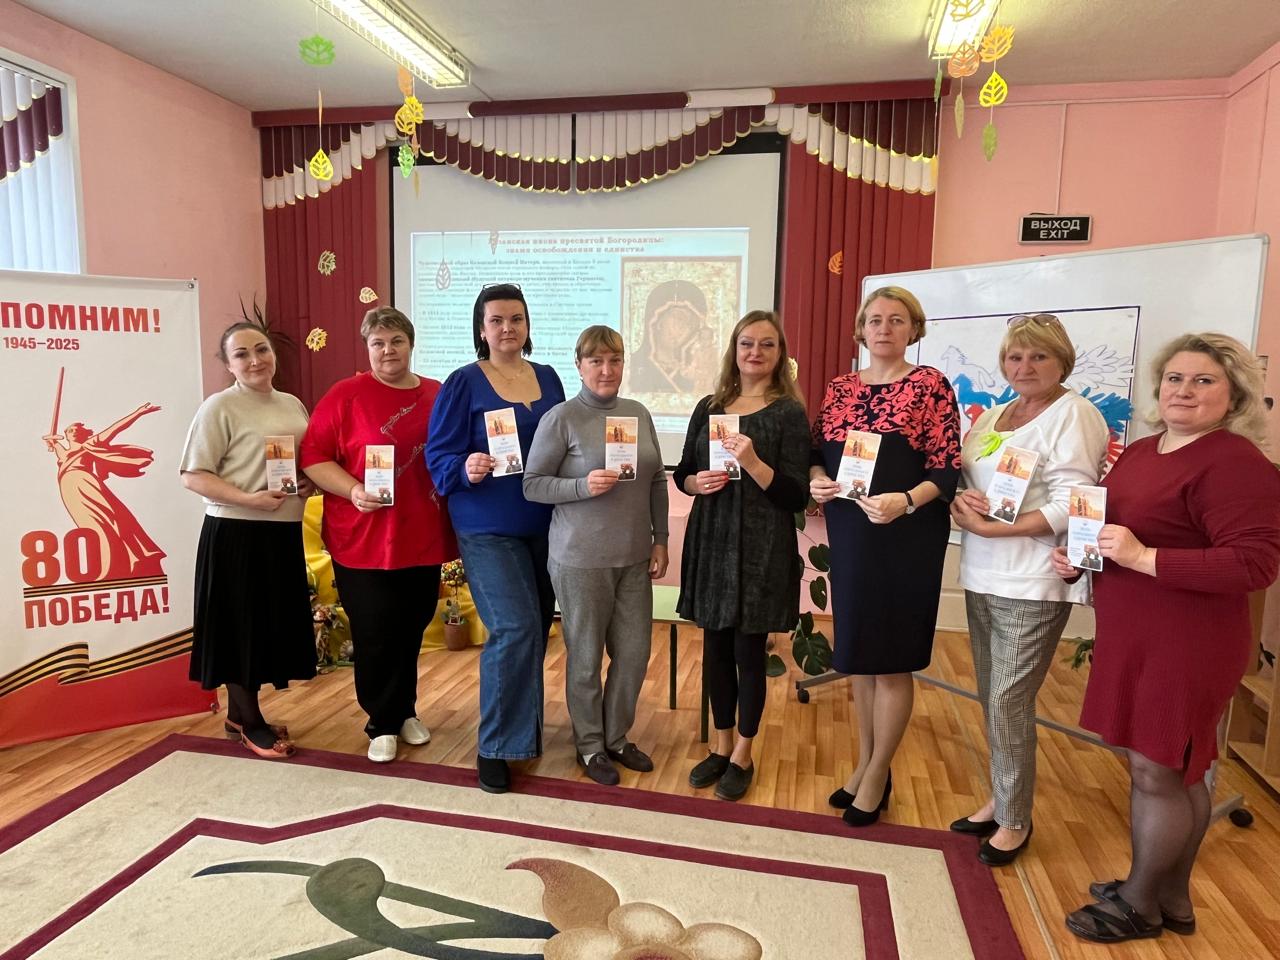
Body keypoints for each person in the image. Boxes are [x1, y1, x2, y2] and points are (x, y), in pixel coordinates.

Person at [1051, 333, 1280, 944]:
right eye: (1175, 378)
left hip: (1189, 641)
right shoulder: (1144, 451)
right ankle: (1171, 896)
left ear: (1234, 394)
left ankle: (1140, 904)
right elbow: (1117, 529)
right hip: (1136, 632)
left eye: (1204, 380)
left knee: (1159, 771)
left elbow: (1255, 564)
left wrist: (1144, 557)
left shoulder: (1235, 462)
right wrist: (1080, 558)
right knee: (1179, 769)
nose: (1184, 390)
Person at [948, 314, 1109, 864]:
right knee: (993, 697)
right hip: (982, 571)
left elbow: (1074, 500)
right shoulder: (998, 413)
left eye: (1038, 356)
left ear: (1062, 360)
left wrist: (1001, 529)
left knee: (1008, 700)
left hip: (1034, 578)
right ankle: (1001, 798)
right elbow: (969, 479)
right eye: (1015, 356)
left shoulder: (1075, 414)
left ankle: (1015, 819)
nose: (1025, 366)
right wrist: (962, 500)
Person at [810, 286, 962, 827]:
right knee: (860, 655)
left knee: (892, 659)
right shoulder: (840, 388)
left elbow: (946, 468)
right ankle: (866, 764)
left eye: (897, 320)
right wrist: (818, 480)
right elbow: (816, 453)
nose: (884, 328)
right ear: (861, 329)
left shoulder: (930, 385)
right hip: (852, 532)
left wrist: (906, 501)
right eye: (875, 320)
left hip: (906, 535)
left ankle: (877, 775)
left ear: (913, 329)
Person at [425, 283, 566, 793]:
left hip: (545, 525)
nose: (508, 328)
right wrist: (464, 467)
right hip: (486, 526)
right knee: (513, 627)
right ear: (481, 330)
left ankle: (521, 736)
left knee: (535, 630)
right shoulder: (462, 382)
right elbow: (438, 455)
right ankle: (494, 746)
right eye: (497, 320)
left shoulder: (548, 377)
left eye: (516, 319)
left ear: (527, 325)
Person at [300, 307, 455, 764]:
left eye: (396, 341)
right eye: (378, 343)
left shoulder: (437, 394)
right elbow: (314, 457)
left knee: (411, 626)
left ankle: (404, 710)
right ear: (367, 348)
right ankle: (381, 722)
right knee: (374, 631)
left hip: (422, 534)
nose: (388, 351)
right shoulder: (345, 395)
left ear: (411, 344)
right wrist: (352, 489)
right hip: (362, 537)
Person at [524, 325, 669, 785]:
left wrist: (661, 538)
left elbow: (657, 480)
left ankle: (616, 737)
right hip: (579, 560)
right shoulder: (561, 418)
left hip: (634, 557)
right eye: (596, 361)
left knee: (634, 655)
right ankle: (589, 745)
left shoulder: (638, 412)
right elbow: (532, 485)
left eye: (615, 360)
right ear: (579, 365)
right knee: (585, 659)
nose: (607, 370)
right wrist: (582, 486)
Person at [675, 310, 810, 801]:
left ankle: (743, 754)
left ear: (780, 354)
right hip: (712, 537)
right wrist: (696, 482)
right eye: (747, 343)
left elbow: (796, 494)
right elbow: (682, 473)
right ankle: (720, 744)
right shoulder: (709, 406)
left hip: (761, 544)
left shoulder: (788, 413)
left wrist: (751, 462)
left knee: (748, 652)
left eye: (767, 344)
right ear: (734, 349)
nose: (755, 352)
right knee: (714, 648)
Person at [179, 322, 316, 759]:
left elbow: (302, 461)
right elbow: (193, 475)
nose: (255, 360)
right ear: (227, 363)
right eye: (242, 354)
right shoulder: (219, 407)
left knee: (264, 628)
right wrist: (248, 499)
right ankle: (251, 723)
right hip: (235, 533)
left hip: (282, 532)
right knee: (240, 629)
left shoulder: (291, 403)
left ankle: (238, 717)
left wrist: (308, 482)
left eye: (262, 349)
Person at [44, 403, 167, 580]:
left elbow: (115, 428)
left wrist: (137, 413)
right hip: (70, 491)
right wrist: (51, 441)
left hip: (87, 484)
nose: (74, 431)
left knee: (109, 519)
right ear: (66, 435)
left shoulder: (90, 444)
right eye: (70, 430)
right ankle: (106, 565)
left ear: (85, 434)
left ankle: (126, 562)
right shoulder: (63, 454)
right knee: (89, 524)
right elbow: (53, 444)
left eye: (78, 429)